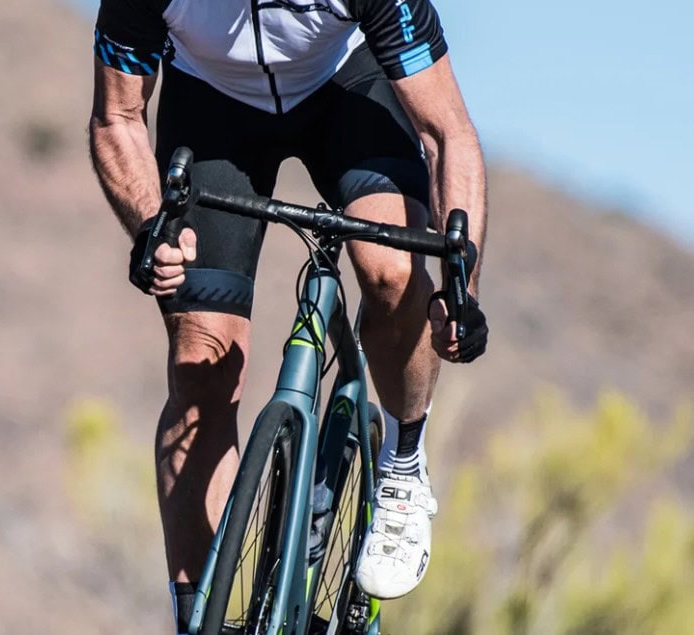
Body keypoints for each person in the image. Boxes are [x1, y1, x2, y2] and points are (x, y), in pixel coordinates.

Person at [85, 0, 491, 629]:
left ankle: (404, 462)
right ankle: (200, 618)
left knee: (391, 271)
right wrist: (148, 226)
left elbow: (447, 135)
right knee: (200, 363)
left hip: (344, 86)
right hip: (213, 104)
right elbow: (117, 116)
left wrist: (459, 286)